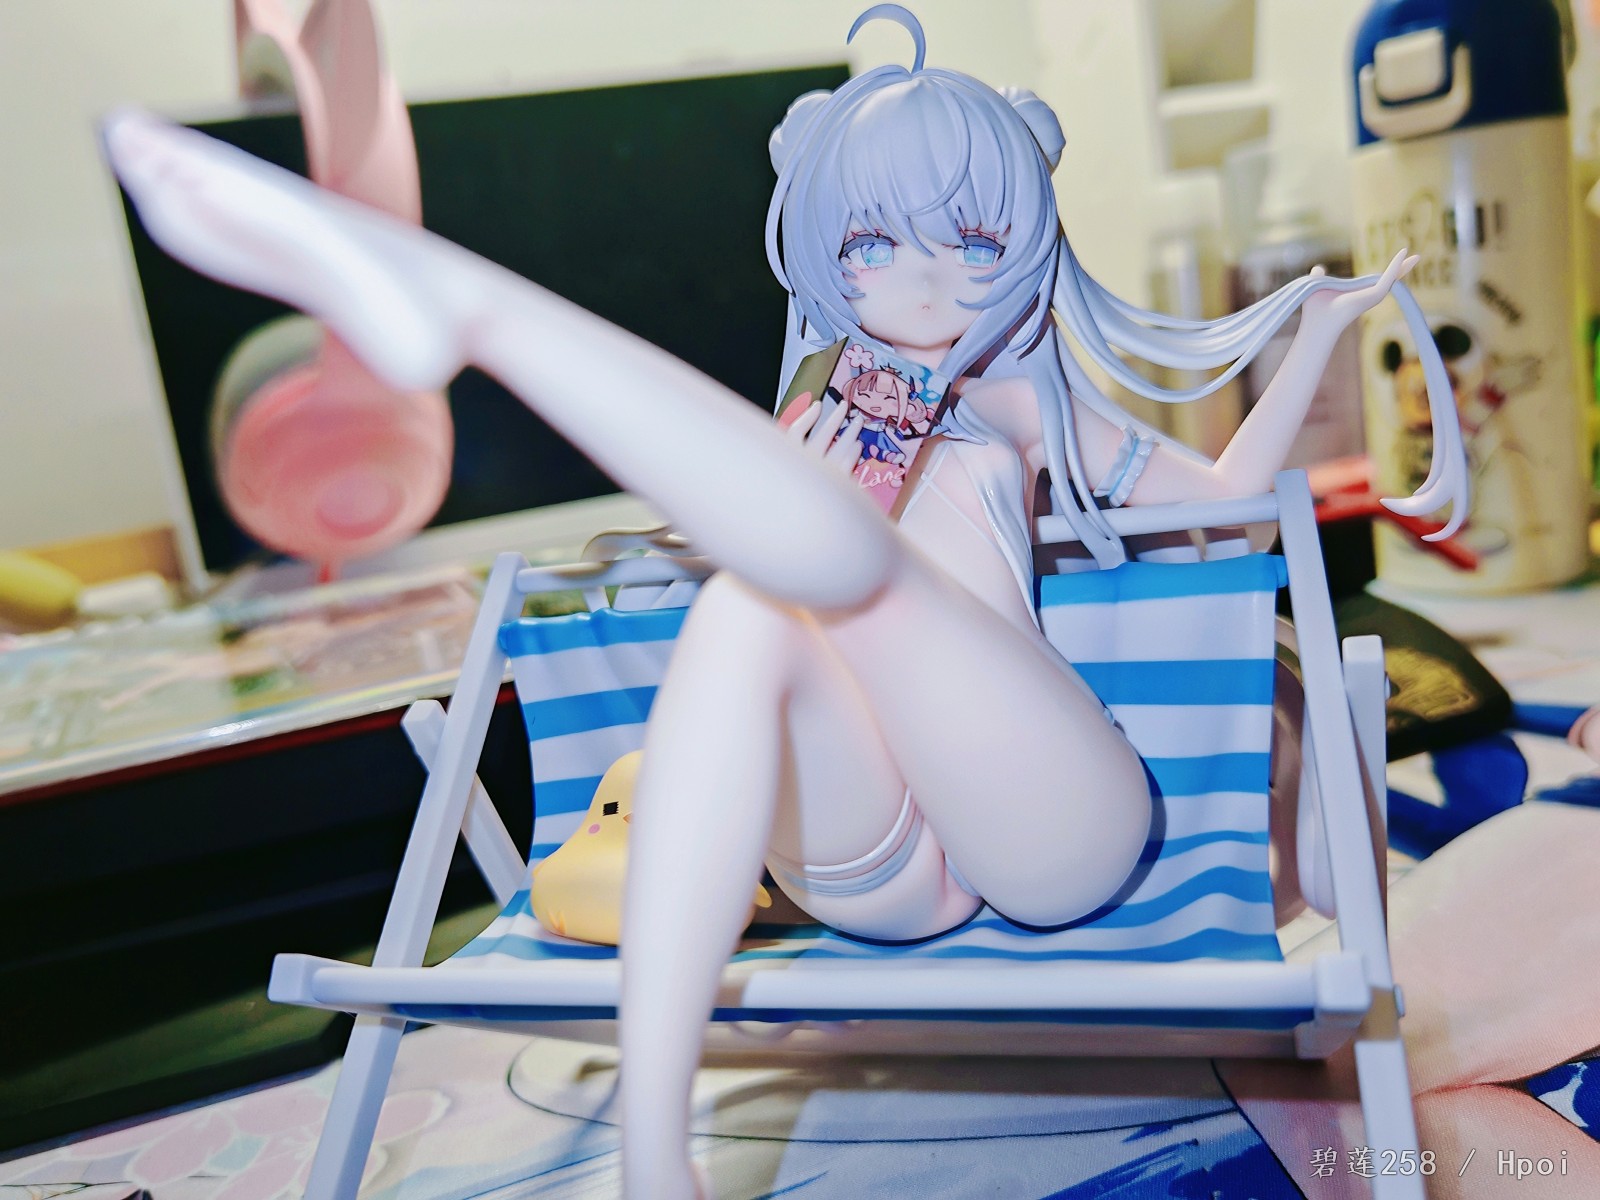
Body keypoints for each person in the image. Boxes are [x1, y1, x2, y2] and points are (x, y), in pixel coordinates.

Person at [102, 8, 1466, 1195]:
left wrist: (1313, 340)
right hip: (880, 867)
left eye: (972, 238)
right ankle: (659, 1161)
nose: (924, 276)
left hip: (1052, 828)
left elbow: (1224, 508)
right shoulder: (817, 424)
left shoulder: (1017, 404)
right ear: (827, 252)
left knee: (849, 575)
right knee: (752, 608)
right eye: (875, 240)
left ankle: (479, 319)